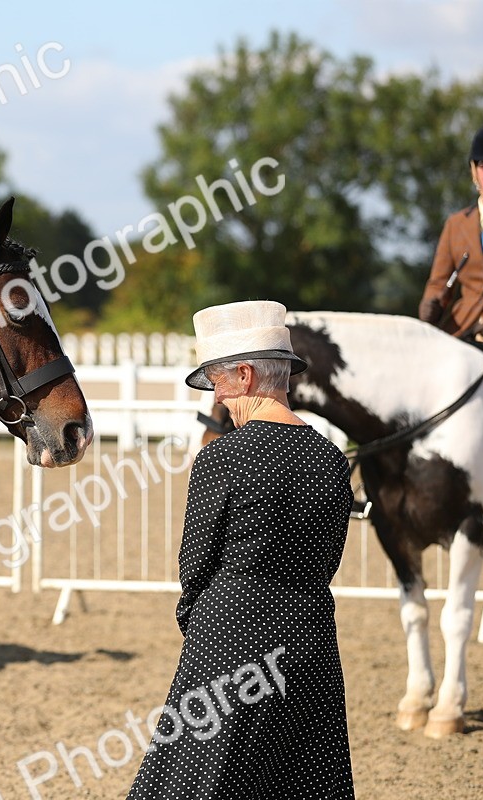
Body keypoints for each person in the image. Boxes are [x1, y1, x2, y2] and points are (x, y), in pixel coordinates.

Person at [127, 300, 355, 799]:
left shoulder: (222, 458)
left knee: (196, 781)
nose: (219, 397)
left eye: (218, 382)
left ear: (246, 375)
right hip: (311, 643)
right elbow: (328, 560)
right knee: (301, 783)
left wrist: (197, 628)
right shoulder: (332, 459)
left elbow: (195, 565)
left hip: (231, 642)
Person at [418, 124, 483, 339]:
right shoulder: (456, 225)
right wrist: (431, 303)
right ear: (474, 171)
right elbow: (438, 282)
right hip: (465, 331)